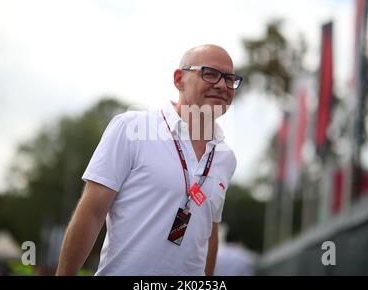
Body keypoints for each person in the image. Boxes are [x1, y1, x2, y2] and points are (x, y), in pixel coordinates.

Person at [56, 44, 242, 276]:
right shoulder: (131, 128)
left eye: (230, 78)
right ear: (179, 79)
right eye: (210, 73)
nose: (223, 85)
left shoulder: (226, 157)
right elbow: (92, 212)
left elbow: (209, 230)